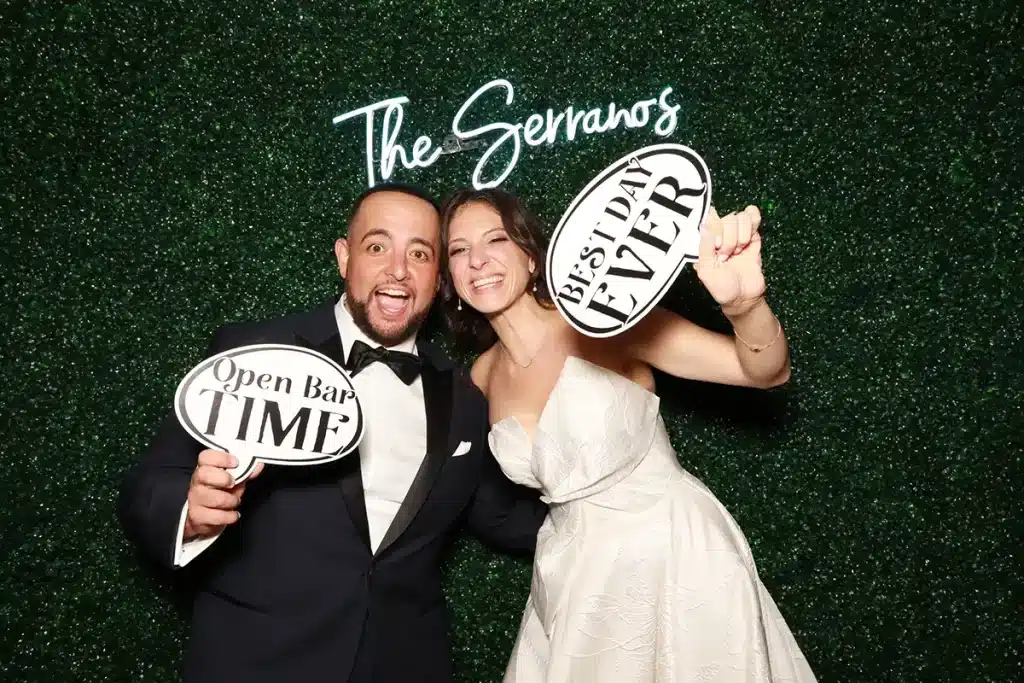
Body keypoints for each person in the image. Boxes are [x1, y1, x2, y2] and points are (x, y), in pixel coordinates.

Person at [116, 183, 547, 683]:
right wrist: (190, 511)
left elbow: (497, 513)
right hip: (258, 661)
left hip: (404, 664)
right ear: (345, 257)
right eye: (377, 246)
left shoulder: (466, 394)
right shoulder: (256, 350)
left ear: (438, 277)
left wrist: (605, 515)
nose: (398, 270)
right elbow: (149, 483)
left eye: (420, 253)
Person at [439, 187, 819, 682]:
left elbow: (763, 371)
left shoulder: (605, 321)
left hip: (672, 559)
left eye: (496, 240)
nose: (478, 260)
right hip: (571, 576)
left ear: (531, 256)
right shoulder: (482, 376)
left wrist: (746, 306)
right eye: (459, 250)